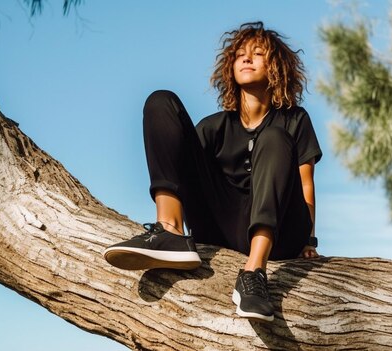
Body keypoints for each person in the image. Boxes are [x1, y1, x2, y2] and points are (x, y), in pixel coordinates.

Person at [103, 22, 322, 322]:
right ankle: (169, 231)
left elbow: (305, 187)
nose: (246, 59)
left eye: (258, 53)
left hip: (282, 230)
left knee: (274, 139)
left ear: (277, 68)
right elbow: (186, 173)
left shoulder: (294, 120)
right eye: (240, 54)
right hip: (223, 226)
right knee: (160, 101)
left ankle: (253, 274)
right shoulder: (212, 127)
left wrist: (309, 241)